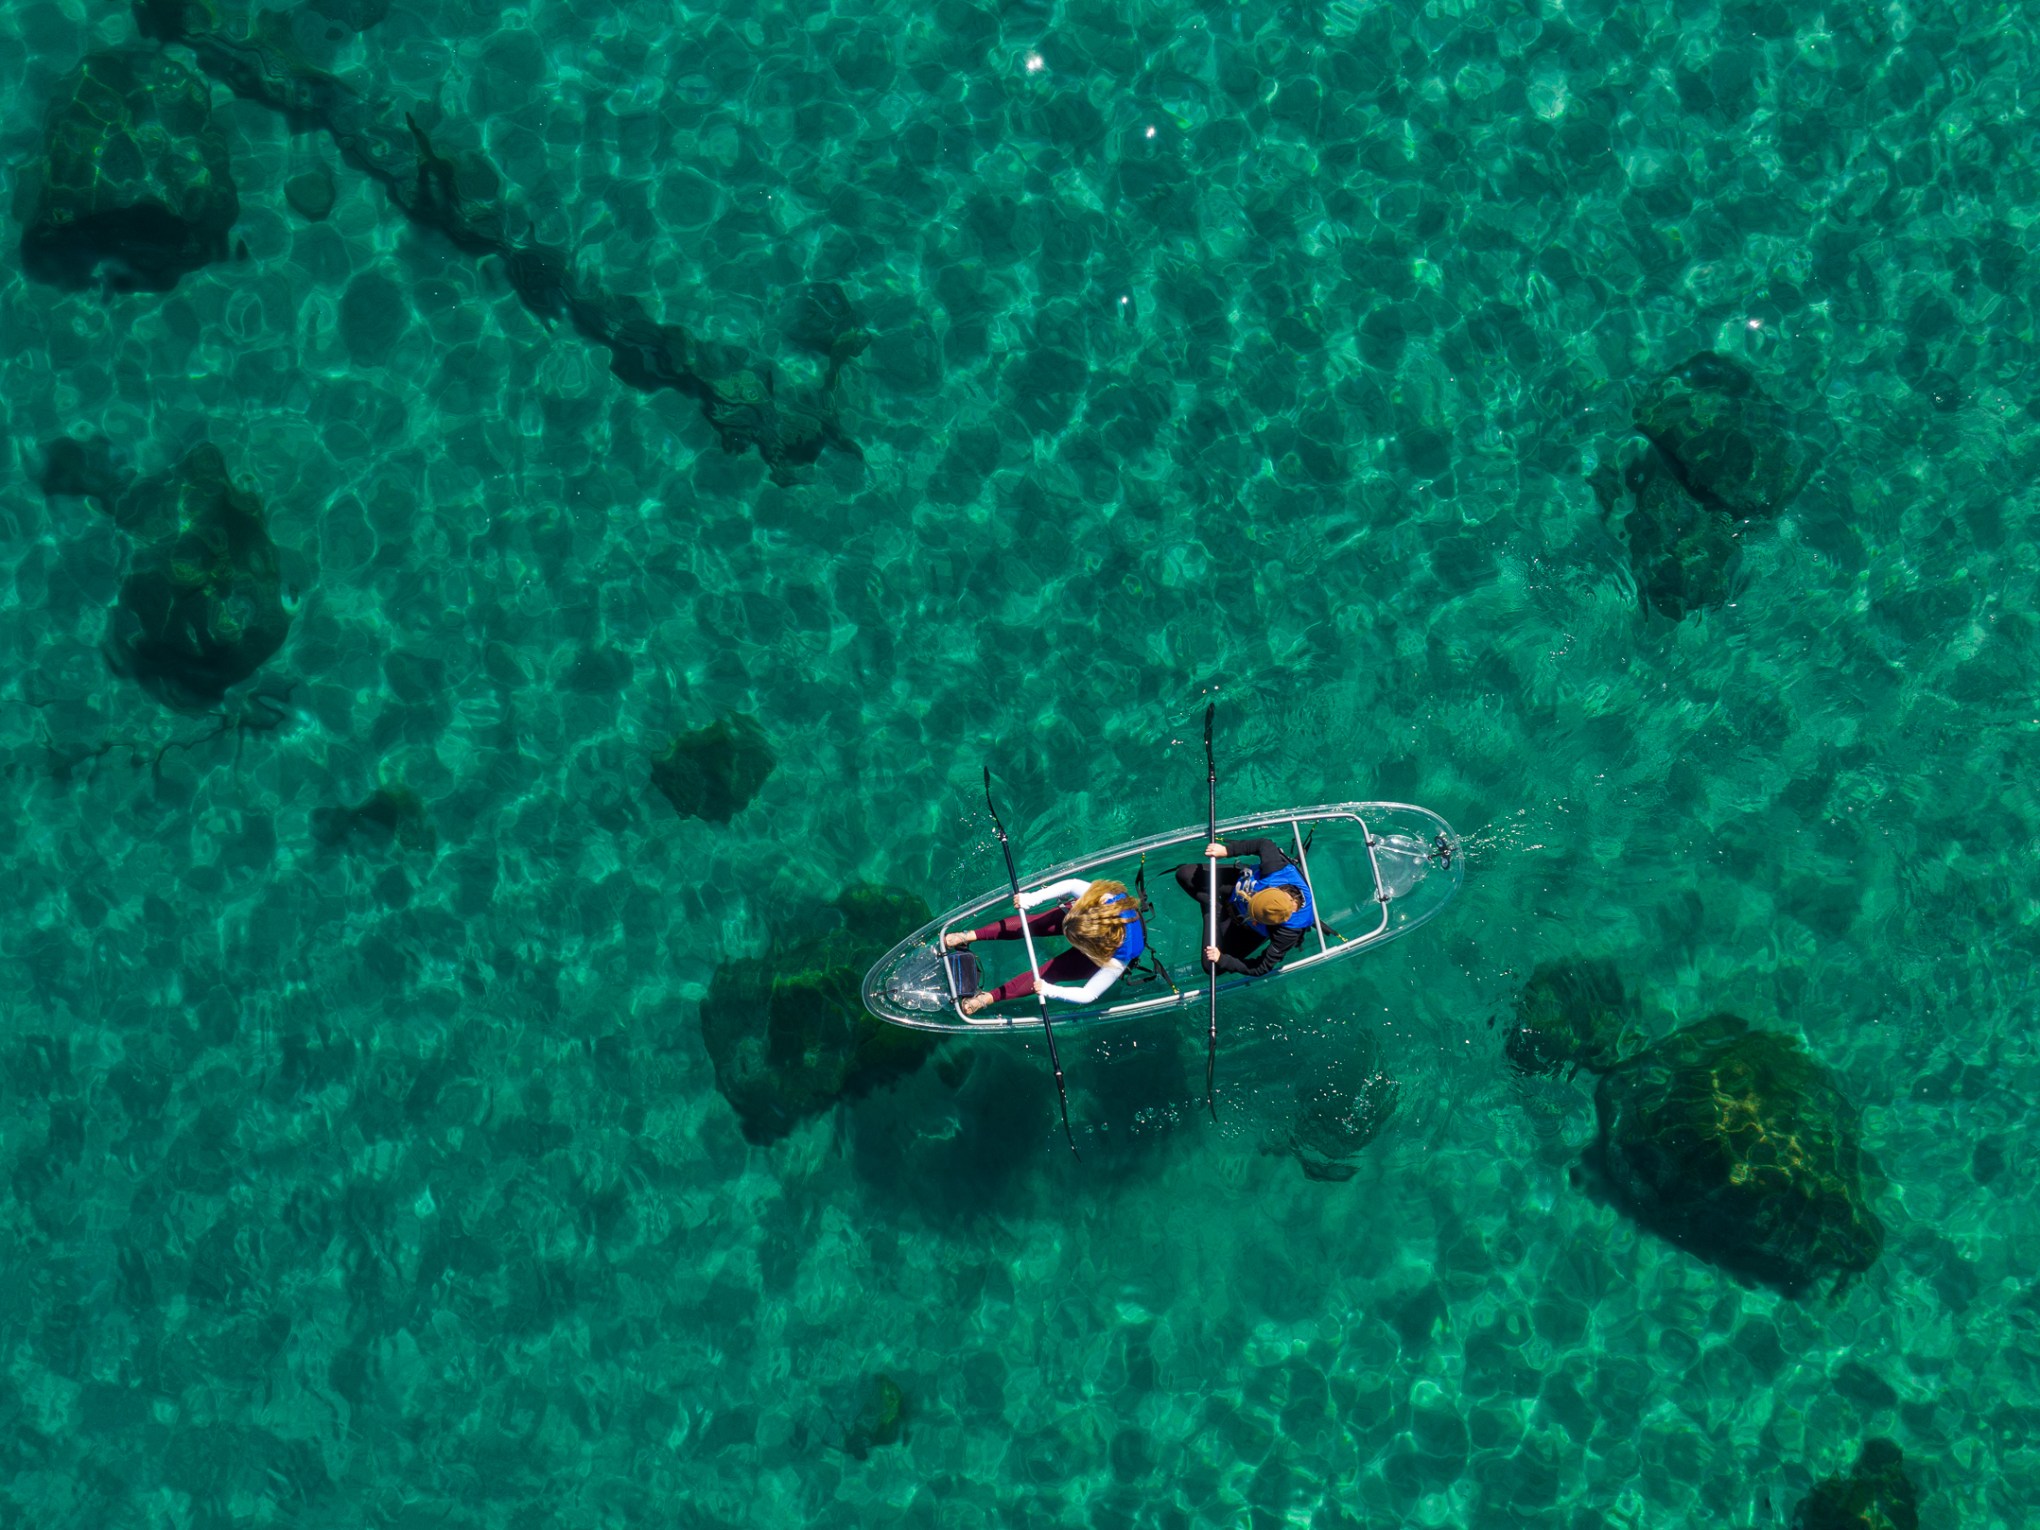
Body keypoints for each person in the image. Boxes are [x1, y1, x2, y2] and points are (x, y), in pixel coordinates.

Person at [942, 878, 1146, 1015]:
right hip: (1088, 919)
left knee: (1050, 973)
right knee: (1034, 924)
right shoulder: (1101, 900)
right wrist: (1032, 898)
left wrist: (1049, 990)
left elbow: (1088, 994)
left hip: (1104, 951)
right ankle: (969, 936)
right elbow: (1072, 884)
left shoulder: (1117, 959)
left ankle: (988, 997)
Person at [1174, 836, 1315, 977]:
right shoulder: (1275, 870)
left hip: (1247, 930)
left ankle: (1214, 909)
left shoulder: (1287, 933)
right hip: (1238, 885)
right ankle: (1215, 903)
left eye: (1254, 916)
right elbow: (1264, 843)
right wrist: (1227, 851)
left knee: (1212, 967)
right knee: (1184, 874)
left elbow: (1262, 967)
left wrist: (1222, 959)